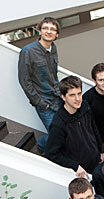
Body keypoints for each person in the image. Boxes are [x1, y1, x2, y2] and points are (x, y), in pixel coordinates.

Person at [18, 17, 61, 153]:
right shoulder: (28, 52)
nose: (49, 32)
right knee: (57, 135)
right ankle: (41, 145)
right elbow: (25, 81)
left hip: (57, 99)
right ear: (39, 31)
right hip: (44, 102)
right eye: (45, 28)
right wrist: (39, 102)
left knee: (64, 132)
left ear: (57, 34)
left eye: (52, 29)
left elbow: (53, 75)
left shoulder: (53, 48)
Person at [45, 75, 102, 178]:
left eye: (79, 94)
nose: (77, 99)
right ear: (63, 97)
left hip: (97, 161)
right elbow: (51, 154)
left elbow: (94, 129)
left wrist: (101, 151)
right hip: (82, 172)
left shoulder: (85, 106)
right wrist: (75, 166)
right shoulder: (59, 123)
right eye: (72, 95)